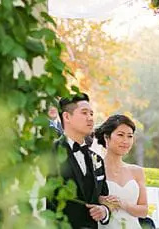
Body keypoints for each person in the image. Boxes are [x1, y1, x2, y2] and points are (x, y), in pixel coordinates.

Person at [48, 93, 111, 228]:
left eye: (91, 114)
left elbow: (104, 196)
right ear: (66, 116)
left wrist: (104, 211)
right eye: (84, 113)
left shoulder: (97, 159)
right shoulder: (49, 153)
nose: (90, 118)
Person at [94, 114, 148, 228]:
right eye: (120, 135)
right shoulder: (95, 170)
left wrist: (123, 204)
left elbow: (144, 211)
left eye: (130, 136)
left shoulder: (137, 171)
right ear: (106, 137)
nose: (125, 141)